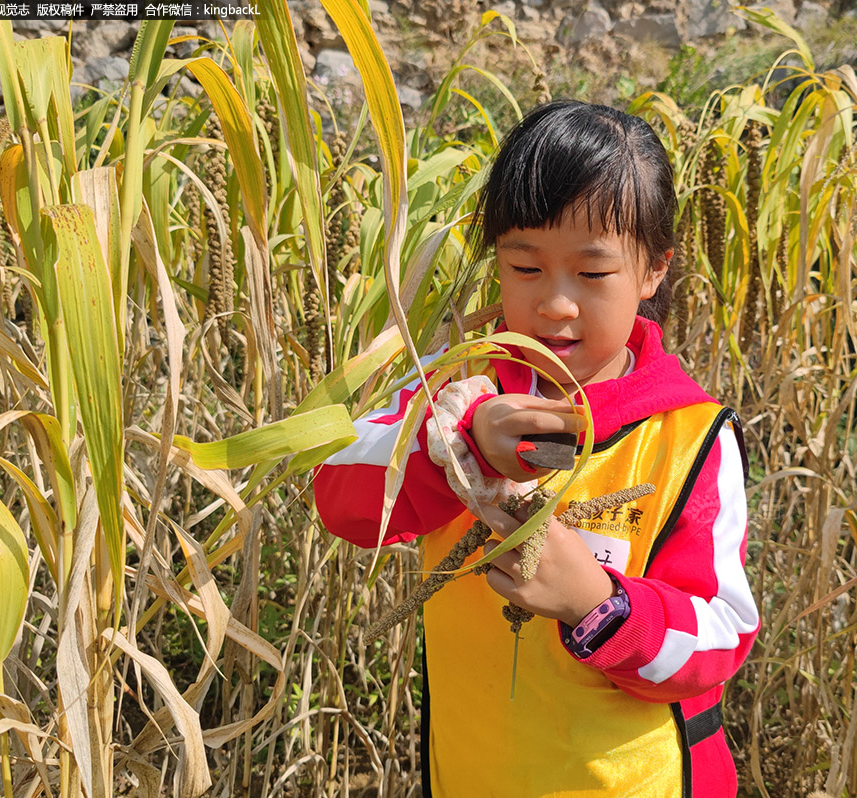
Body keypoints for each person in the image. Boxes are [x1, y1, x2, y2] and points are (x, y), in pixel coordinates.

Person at [313, 100, 759, 797]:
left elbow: (722, 639)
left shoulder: (690, 437)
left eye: (592, 273)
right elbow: (337, 493)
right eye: (525, 267)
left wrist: (599, 604)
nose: (555, 303)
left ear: (652, 271)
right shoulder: (455, 385)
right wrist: (457, 445)